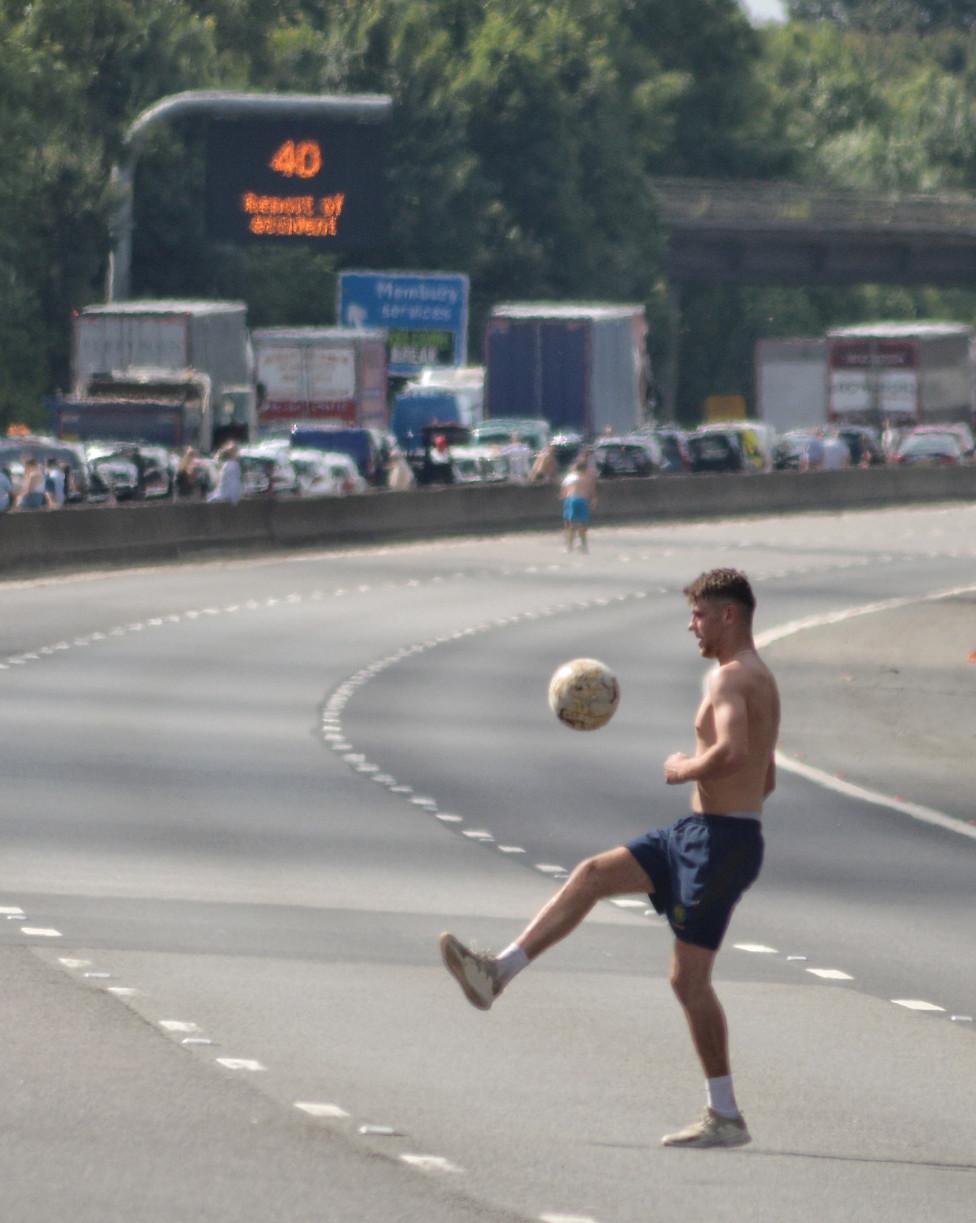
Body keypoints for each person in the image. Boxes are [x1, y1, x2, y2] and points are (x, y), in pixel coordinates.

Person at [439, 568, 780, 1150]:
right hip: (705, 833)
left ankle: (725, 1114)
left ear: (728, 616)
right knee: (594, 874)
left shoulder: (728, 681)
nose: (691, 626)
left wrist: (685, 770)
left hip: (717, 842)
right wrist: (721, 806)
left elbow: (734, 752)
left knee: (687, 980)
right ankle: (497, 973)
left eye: (699, 615)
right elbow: (765, 774)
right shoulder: (758, 678)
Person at [560, 457, 595, 552]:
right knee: (582, 524)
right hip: (583, 500)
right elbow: (591, 492)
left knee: (571, 524)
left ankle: (569, 547)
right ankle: (584, 546)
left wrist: (564, 501)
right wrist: (592, 502)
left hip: (571, 499)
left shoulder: (570, 476)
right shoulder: (587, 478)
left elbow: (563, 492)